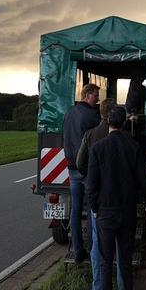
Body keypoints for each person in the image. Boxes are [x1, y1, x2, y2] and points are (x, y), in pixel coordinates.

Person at [86, 106, 146, 290]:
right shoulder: (134, 147)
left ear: (107, 122)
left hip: (105, 212)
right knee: (125, 260)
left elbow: (92, 185)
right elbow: (144, 180)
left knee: (106, 261)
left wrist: (95, 208)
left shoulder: (97, 148)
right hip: (127, 212)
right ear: (125, 122)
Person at [76, 98, 124, 290]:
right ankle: (123, 289)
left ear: (101, 113)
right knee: (122, 245)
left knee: (97, 244)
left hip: (98, 198)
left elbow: (80, 163)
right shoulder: (126, 137)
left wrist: (90, 179)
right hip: (119, 197)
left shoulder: (90, 134)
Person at [63, 82, 101, 263]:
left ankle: (78, 250)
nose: (98, 99)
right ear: (87, 95)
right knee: (92, 208)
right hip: (86, 169)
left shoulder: (69, 113)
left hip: (71, 168)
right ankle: (94, 249)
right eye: (95, 95)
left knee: (75, 210)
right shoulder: (92, 115)